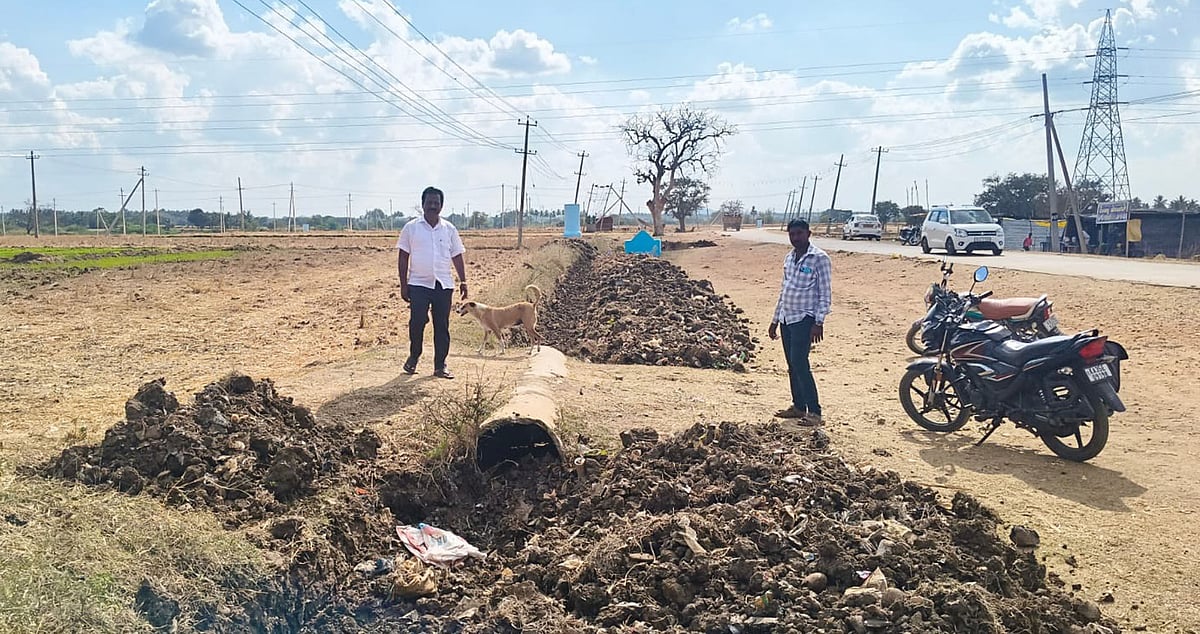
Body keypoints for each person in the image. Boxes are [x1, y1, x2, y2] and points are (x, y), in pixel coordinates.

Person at [397, 186, 467, 379]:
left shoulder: (449, 229)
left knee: (442, 325)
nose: (433, 206)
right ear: (423, 205)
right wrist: (403, 284)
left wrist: (464, 281)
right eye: (429, 203)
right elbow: (403, 257)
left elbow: (457, 255)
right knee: (417, 322)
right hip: (418, 284)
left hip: (443, 285)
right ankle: (414, 356)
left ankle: (440, 365)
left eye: (437, 203)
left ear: (442, 206)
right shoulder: (411, 228)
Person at [768, 219, 832, 425]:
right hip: (787, 318)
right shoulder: (789, 258)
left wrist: (818, 322)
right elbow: (783, 290)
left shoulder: (819, 258)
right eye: (792, 234)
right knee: (792, 365)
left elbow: (825, 293)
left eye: (799, 234)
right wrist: (775, 320)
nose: (795, 238)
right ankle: (798, 406)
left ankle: (814, 412)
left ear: (808, 234)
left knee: (800, 363)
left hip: (804, 319)